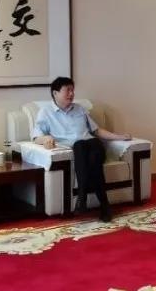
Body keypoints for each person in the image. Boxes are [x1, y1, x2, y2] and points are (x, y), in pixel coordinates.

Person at [32, 77, 131, 222]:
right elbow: (36, 137)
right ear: (55, 93)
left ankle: (82, 197)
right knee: (85, 153)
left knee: (85, 146)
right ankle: (105, 206)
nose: (72, 94)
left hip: (94, 145)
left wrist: (119, 137)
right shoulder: (45, 112)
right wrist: (46, 138)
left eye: (72, 90)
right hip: (79, 151)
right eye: (68, 90)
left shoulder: (79, 109)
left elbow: (96, 131)